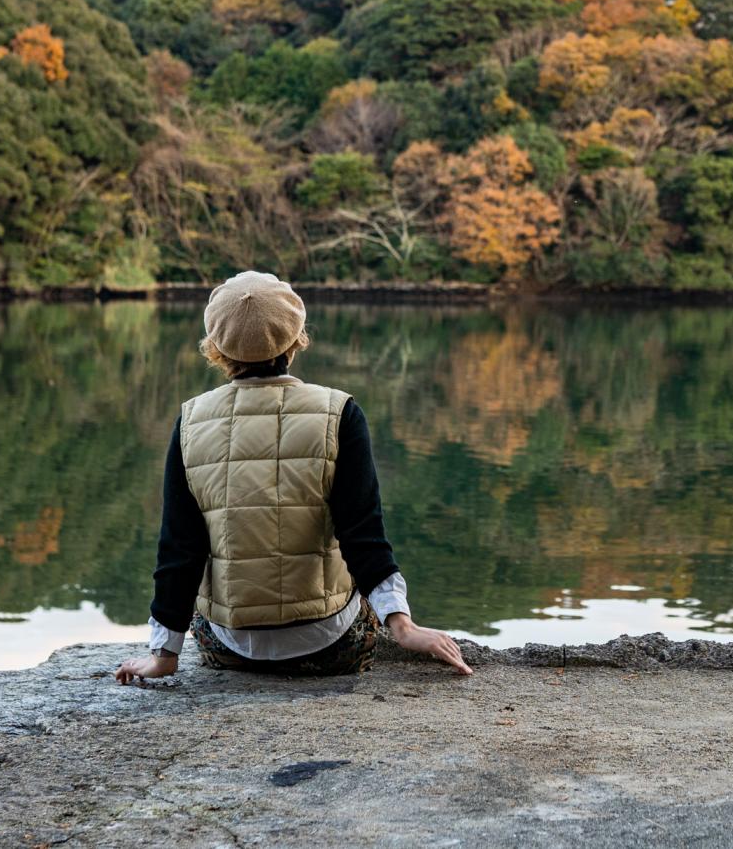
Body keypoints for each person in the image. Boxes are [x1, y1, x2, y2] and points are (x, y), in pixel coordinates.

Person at [115, 271, 471, 683]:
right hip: (329, 648)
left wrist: (163, 654)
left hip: (230, 649)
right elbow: (362, 533)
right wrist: (404, 627)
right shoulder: (340, 413)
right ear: (295, 339)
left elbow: (180, 549)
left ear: (216, 348)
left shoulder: (190, 422)